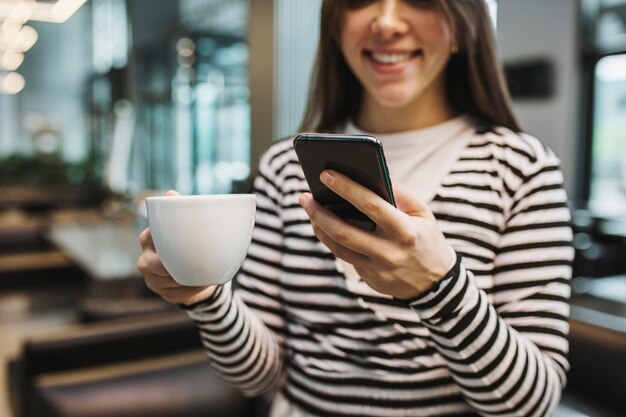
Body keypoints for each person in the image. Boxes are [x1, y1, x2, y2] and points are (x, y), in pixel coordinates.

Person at [138, 1, 574, 416]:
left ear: (464, 22)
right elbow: (257, 376)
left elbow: (528, 405)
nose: (386, 22)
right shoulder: (284, 168)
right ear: (335, 24)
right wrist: (207, 297)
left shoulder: (520, 170)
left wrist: (438, 287)